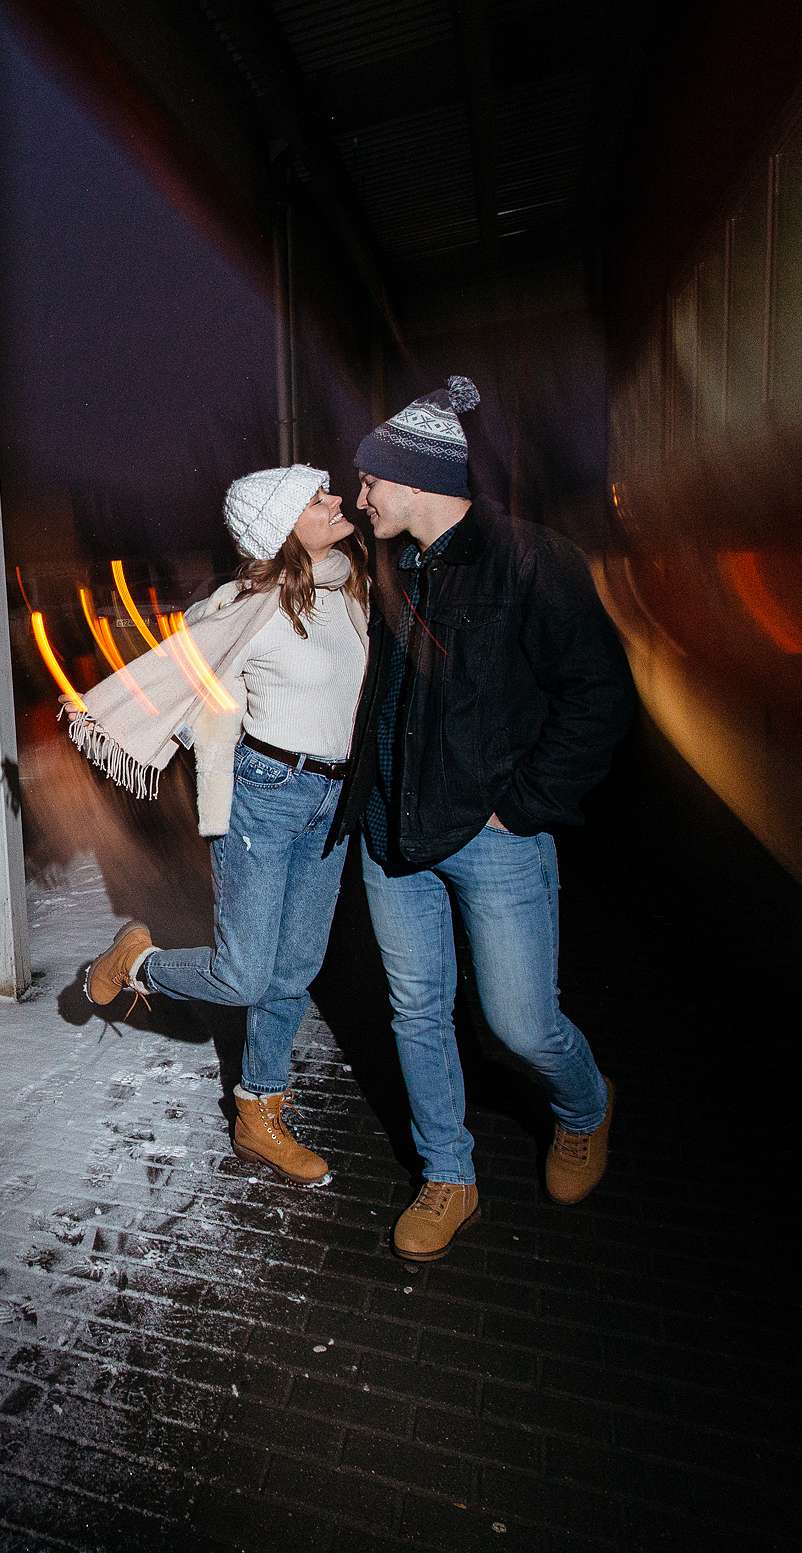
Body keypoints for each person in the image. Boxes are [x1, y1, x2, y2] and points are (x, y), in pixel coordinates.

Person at [329, 376, 635, 1260]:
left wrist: (522, 805)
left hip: (490, 838)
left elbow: (599, 695)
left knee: (520, 1024)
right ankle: (447, 1174)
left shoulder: (531, 559)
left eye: (370, 481)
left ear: (416, 478)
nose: (361, 497)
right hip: (392, 836)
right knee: (417, 1011)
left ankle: (585, 1105)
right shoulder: (394, 567)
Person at [66, 464, 368, 1185]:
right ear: (282, 528)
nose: (335, 501)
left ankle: (258, 1112)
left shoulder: (350, 589)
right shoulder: (248, 608)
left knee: (294, 970)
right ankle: (137, 963)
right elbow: (183, 687)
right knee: (242, 974)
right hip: (267, 797)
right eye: (316, 498)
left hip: (333, 800)